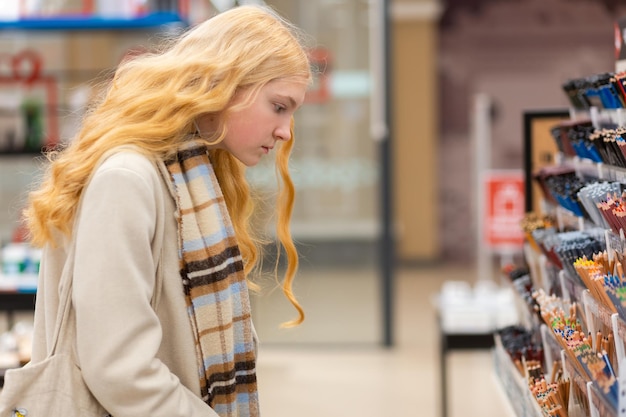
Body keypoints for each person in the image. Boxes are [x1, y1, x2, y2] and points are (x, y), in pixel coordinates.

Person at [22, 5, 312, 416]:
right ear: (227, 83)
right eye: (279, 106)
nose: (285, 131)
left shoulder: (193, 175)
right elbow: (119, 368)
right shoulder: (129, 178)